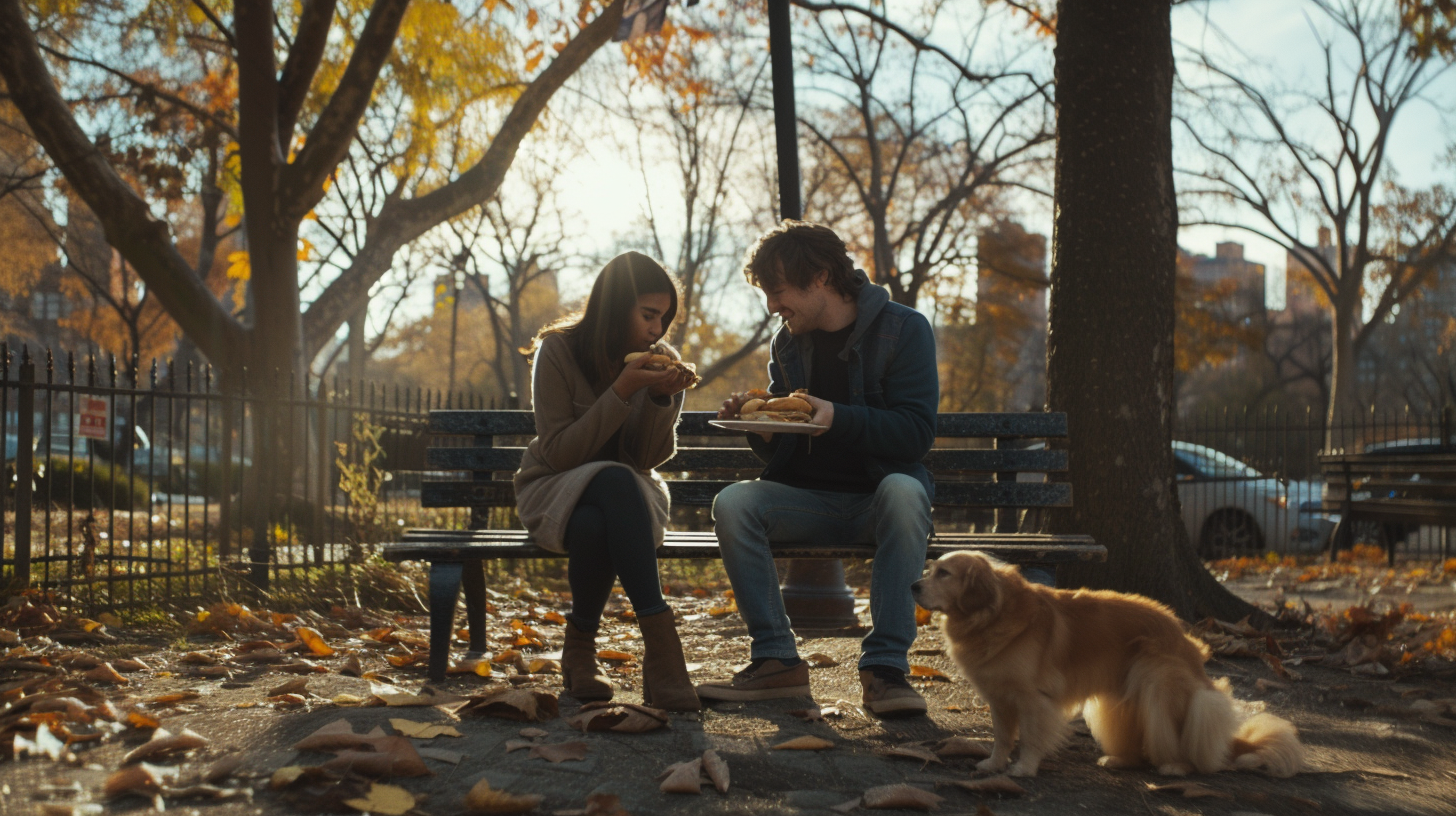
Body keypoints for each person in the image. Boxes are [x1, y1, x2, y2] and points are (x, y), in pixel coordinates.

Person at [696, 222, 939, 717]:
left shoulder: (904, 329)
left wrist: (839, 417)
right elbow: (785, 455)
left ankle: (886, 670)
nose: (772, 307)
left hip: (879, 502)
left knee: (905, 490)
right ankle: (776, 661)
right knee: (734, 502)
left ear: (821, 277)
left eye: (778, 291)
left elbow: (915, 434)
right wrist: (760, 428)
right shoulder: (788, 345)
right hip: (808, 502)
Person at [514, 251, 700, 711]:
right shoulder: (557, 349)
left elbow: (646, 459)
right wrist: (621, 390)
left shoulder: (660, 360)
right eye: (648, 315)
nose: (657, 330)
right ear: (615, 306)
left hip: (628, 499)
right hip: (554, 489)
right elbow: (557, 453)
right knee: (610, 482)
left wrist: (660, 402)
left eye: (664, 319)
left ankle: (578, 652)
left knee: (597, 520)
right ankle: (662, 651)